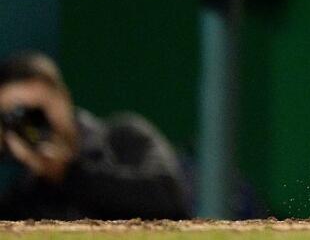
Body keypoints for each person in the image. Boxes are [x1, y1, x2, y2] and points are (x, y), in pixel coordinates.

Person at [0, 51, 188, 219]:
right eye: (17, 118)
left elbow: (168, 201)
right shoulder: (25, 191)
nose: (31, 125)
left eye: (36, 112)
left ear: (63, 98)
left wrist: (65, 172)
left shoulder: (123, 138)